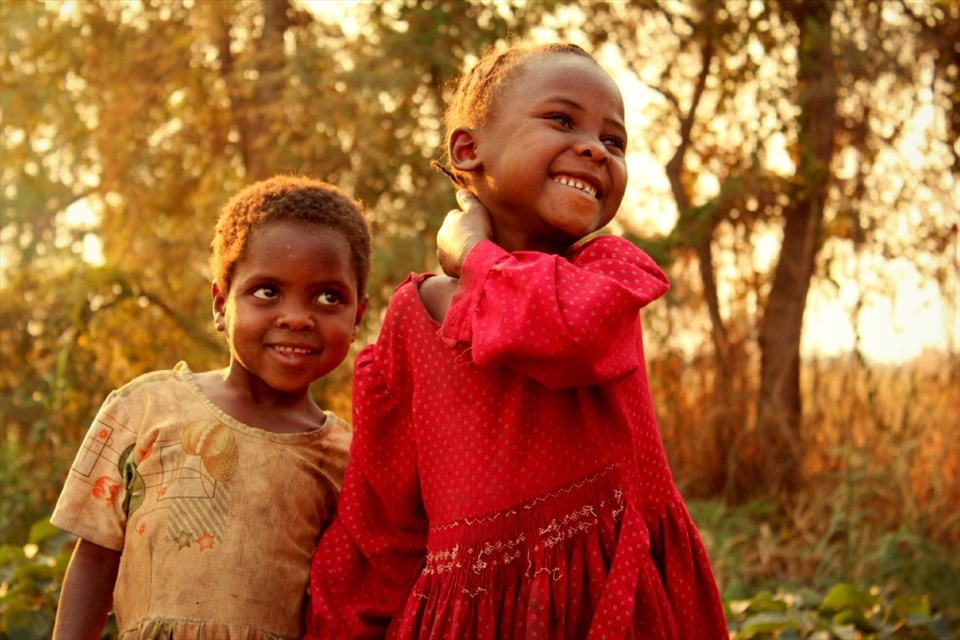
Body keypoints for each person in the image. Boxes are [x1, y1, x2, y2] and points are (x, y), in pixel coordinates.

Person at [308, 42, 727, 639]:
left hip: (611, 610)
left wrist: (474, 254)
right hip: (470, 619)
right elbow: (382, 520)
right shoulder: (409, 322)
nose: (593, 147)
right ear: (467, 148)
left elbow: (562, 333)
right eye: (562, 120)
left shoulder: (609, 275)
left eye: (615, 141)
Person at [51, 175, 370, 640]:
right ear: (221, 304)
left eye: (328, 297)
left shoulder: (346, 457)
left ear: (358, 316)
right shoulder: (145, 409)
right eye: (267, 292)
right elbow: (95, 558)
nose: (297, 317)